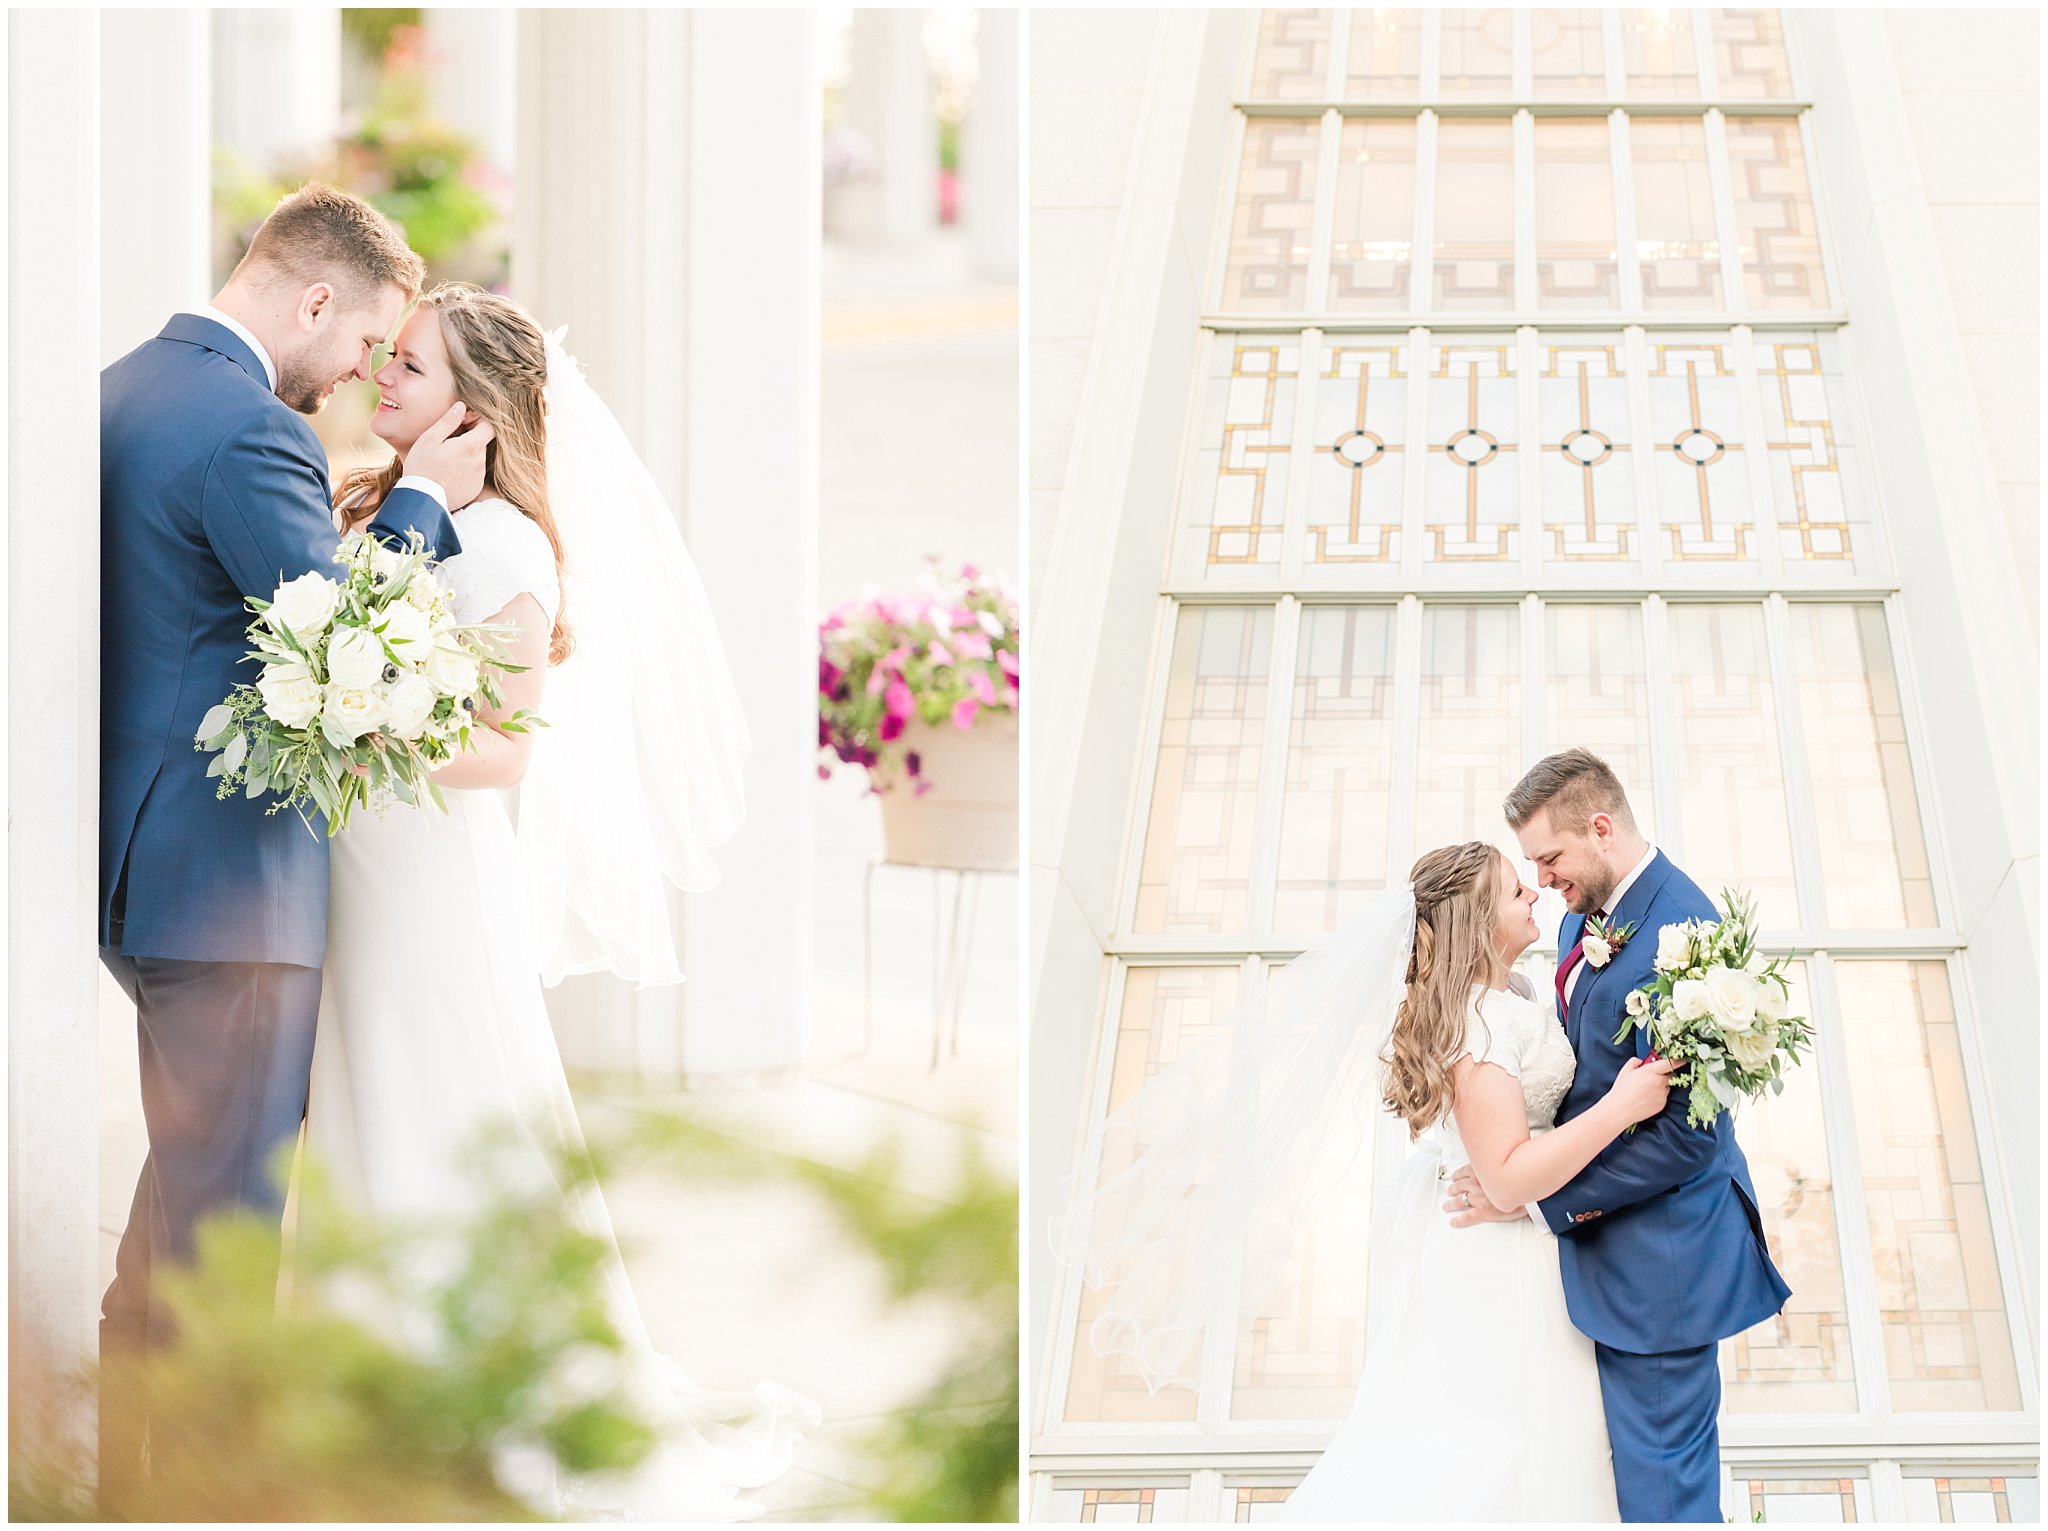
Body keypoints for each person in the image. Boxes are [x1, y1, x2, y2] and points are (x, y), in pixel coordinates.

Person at [301, 281, 814, 1520]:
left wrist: (360, 723)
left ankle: (455, 1390)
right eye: (389, 359)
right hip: (357, 860)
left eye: (410, 370)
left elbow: (505, 748)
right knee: (352, 1092)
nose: (382, 378)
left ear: (470, 412)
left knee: (426, 1091)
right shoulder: (375, 503)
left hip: (421, 868)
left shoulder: (512, 550)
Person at [98, 183, 487, 1502]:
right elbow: (342, 644)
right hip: (235, 893)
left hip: (147, 875)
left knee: (174, 1218)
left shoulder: (117, 389)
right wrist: (425, 508)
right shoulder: (248, 430)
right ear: (313, 298)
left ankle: (126, 1490)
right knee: (220, 1242)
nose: (361, 374)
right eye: (367, 343)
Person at [1444, 749, 1791, 1523]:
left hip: (1660, 1265)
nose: (1542, 881)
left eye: (1550, 858)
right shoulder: (1581, 909)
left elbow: (1687, 1140)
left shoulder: (1690, 933)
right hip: (1587, 1259)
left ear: (1601, 828)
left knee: (1661, 1496)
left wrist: (1535, 1199)